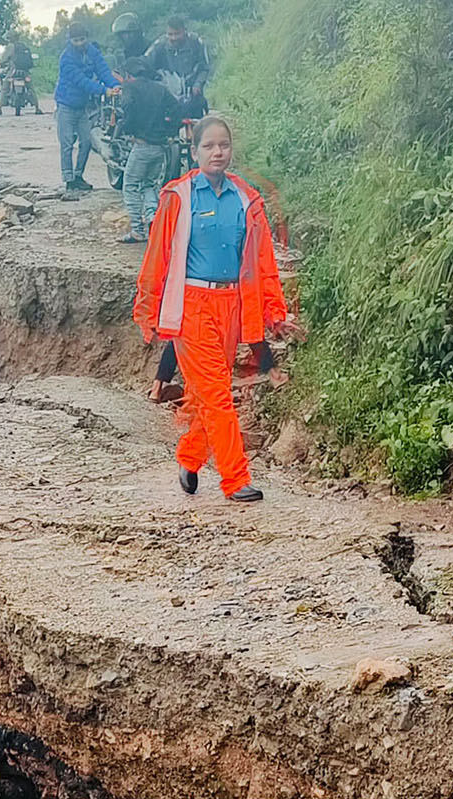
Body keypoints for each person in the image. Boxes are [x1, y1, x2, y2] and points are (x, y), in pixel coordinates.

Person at [133, 116, 303, 503]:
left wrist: (274, 310)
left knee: (211, 394)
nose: (217, 151)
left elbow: (262, 262)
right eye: (208, 146)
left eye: (223, 144)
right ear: (194, 152)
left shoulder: (247, 198)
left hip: (231, 305)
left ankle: (191, 456)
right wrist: (148, 307)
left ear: (231, 149)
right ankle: (235, 479)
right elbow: (157, 256)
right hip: (192, 305)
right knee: (217, 395)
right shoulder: (179, 197)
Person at [115, 56, 182, 243]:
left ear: (128, 75)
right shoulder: (160, 89)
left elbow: (127, 107)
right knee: (149, 185)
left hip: (142, 145)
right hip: (160, 146)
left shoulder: (130, 88)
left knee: (130, 185)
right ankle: (153, 219)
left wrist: (128, 129)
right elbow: (177, 108)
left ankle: (137, 230)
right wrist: (170, 132)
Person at [54, 23, 118, 193]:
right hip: (66, 105)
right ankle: (68, 180)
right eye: (76, 40)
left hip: (82, 106)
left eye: (82, 39)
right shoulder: (66, 58)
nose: (80, 43)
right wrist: (104, 90)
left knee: (87, 142)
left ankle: (78, 175)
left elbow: (103, 70)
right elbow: (81, 82)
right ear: (70, 40)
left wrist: (116, 86)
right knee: (67, 143)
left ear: (87, 38)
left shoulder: (92, 51)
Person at [145, 14, 211, 119]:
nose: (173, 38)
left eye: (177, 34)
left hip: (193, 95)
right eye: (170, 34)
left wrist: (198, 84)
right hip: (168, 97)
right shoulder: (159, 45)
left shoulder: (196, 43)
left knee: (196, 127)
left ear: (185, 31)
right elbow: (145, 65)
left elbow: (204, 68)